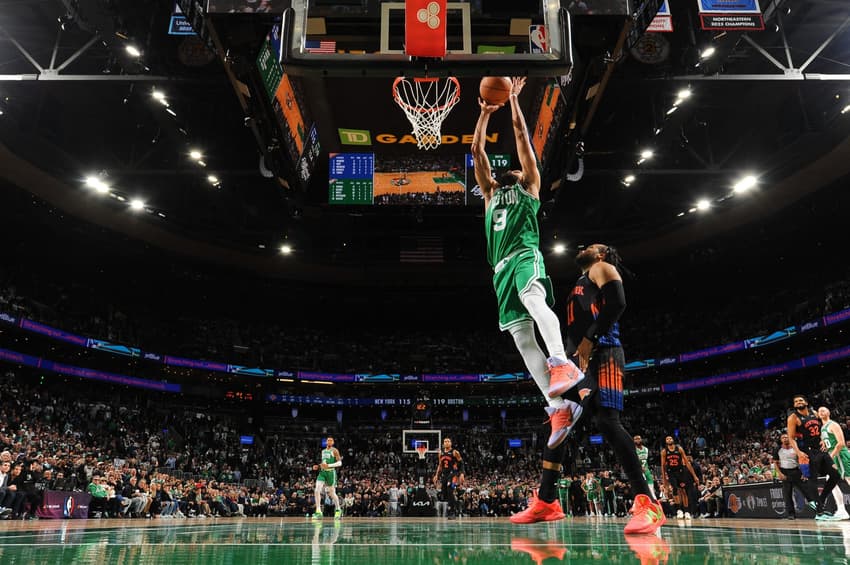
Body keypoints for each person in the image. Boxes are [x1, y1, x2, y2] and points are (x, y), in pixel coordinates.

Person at [471, 77, 585, 525]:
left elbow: (521, 139)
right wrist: (482, 113)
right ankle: (556, 407)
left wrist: (515, 102)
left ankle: (561, 360)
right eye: (509, 169)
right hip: (498, 270)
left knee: (534, 299)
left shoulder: (530, 187)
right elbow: (478, 154)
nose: (512, 169)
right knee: (520, 338)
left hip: (523, 257)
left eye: (516, 168)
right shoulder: (489, 194)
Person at [517, 243, 664, 533]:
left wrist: (590, 338)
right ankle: (546, 501)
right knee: (561, 423)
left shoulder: (602, 267)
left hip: (604, 351)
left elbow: (618, 302)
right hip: (579, 361)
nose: (586, 246)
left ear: (603, 253)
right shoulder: (582, 280)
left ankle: (648, 504)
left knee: (607, 422)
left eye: (594, 244)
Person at [787, 395, 844, 520]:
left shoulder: (814, 413)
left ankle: (820, 501)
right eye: (795, 401)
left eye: (800, 400)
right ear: (794, 405)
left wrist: (823, 439)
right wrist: (798, 452)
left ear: (806, 402)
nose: (798, 402)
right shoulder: (793, 417)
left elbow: (820, 429)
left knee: (836, 475)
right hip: (808, 451)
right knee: (813, 479)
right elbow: (791, 437)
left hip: (821, 450)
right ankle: (819, 513)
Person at [772, 432, 819, 520]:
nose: (785, 439)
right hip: (785, 473)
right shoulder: (777, 449)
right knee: (788, 495)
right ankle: (791, 514)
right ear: (781, 440)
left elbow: (802, 459)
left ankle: (817, 511)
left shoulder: (796, 447)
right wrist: (780, 474)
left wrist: (804, 473)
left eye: (787, 437)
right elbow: (775, 463)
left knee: (807, 492)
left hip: (796, 471)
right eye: (783, 438)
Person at [818, 406, 850, 519]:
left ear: (829, 412)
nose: (821, 411)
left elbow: (841, 443)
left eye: (824, 410)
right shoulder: (822, 428)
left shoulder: (833, 424)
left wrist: (830, 456)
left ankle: (842, 510)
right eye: (819, 411)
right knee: (830, 481)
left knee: (848, 479)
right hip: (833, 454)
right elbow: (827, 443)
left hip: (840, 454)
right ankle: (841, 510)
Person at [661, 435, 700, 519]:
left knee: (683, 491)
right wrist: (664, 481)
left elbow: (687, 463)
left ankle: (686, 511)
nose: (669, 439)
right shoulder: (664, 451)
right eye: (667, 439)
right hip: (671, 472)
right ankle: (679, 510)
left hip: (681, 472)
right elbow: (663, 466)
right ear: (666, 442)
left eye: (670, 438)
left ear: (673, 440)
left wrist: (695, 476)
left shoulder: (679, 449)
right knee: (675, 490)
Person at [432, 437, 464, 519]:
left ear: (451, 443)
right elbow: (440, 466)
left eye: (448, 441)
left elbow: (461, 463)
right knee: (444, 493)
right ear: (443, 443)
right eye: (445, 441)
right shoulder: (440, 453)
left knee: (450, 490)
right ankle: (456, 507)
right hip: (445, 474)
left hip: (453, 473)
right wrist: (436, 475)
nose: (446, 443)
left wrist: (462, 474)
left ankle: (452, 512)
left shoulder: (455, 452)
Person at [312, 437, 343, 520]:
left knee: (331, 493)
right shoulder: (323, 451)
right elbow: (324, 463)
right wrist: (318, 466)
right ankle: (318, 511)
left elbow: (340, 463)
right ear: (326, 442)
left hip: (331, 473)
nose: (329, 441)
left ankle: (338, 509)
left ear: (333, 442)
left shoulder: (335, 450)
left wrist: (329, 466)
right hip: (322, 472)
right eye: (328, 440)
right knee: (317, 490)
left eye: (331, 440)